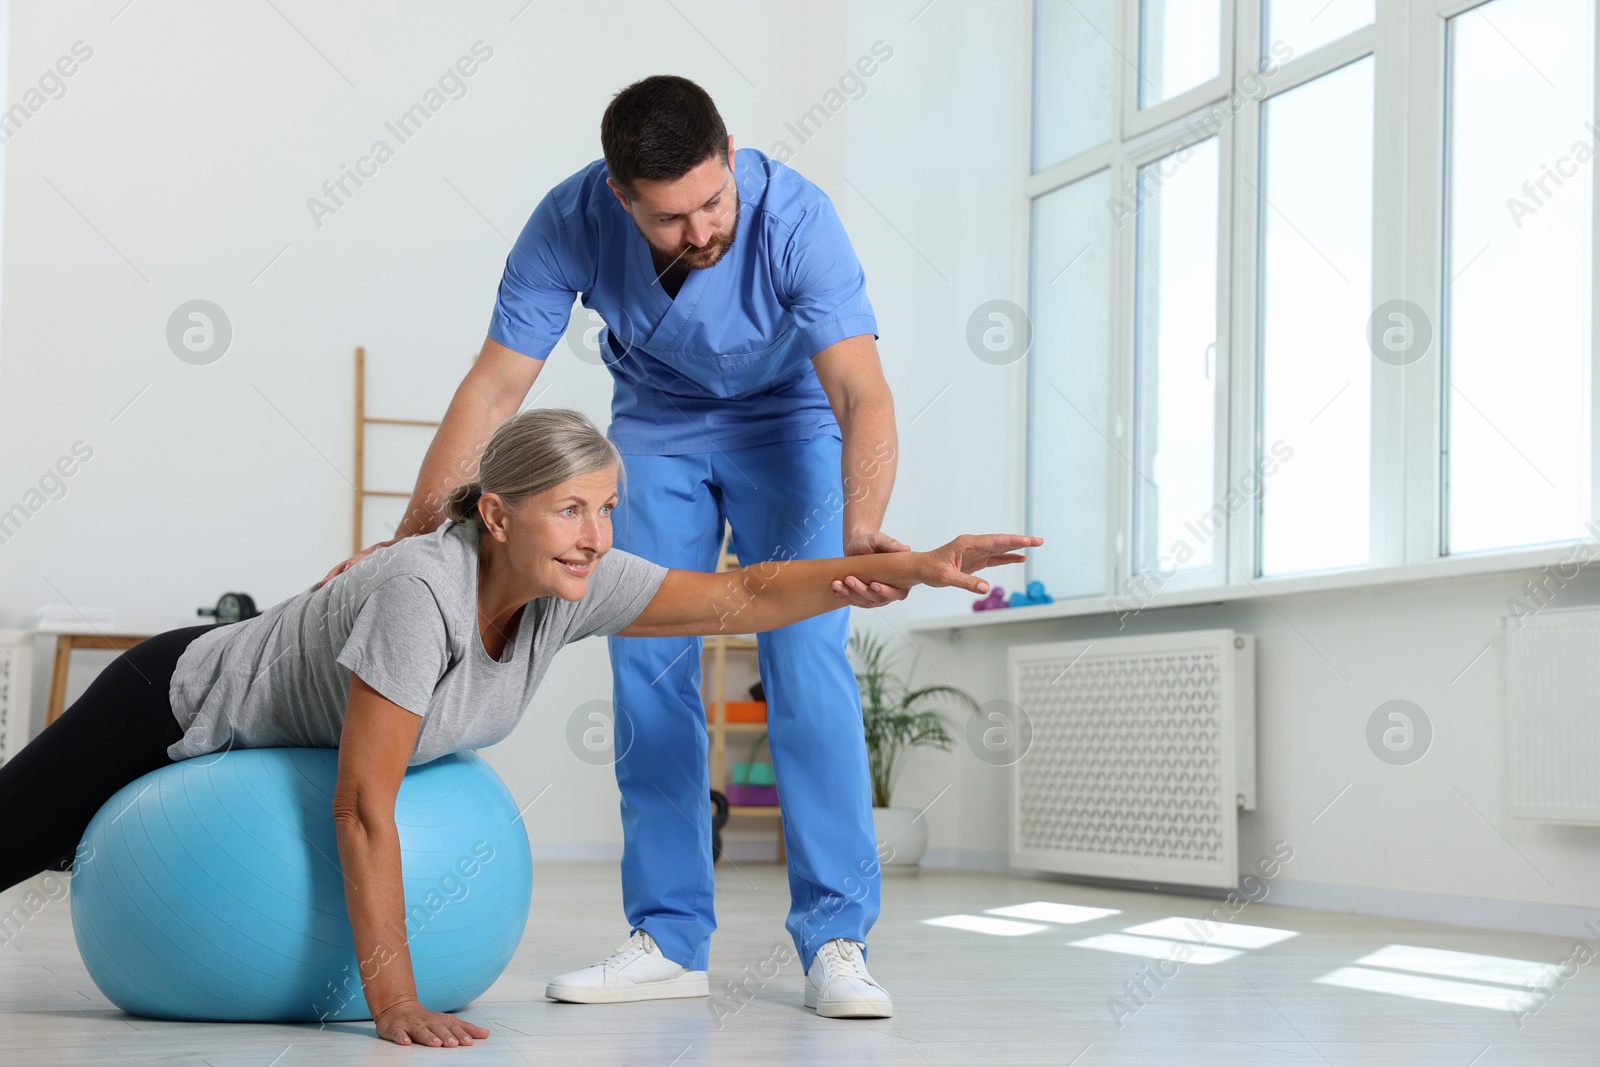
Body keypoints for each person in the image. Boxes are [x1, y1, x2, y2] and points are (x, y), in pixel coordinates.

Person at [0, 408, 1039, 1047]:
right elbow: (362, 805)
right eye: (571, 509)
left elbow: (745, 593)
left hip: (255, 733)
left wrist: (907, 564)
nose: (598, 536)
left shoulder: (571, 583)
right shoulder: (422, 589)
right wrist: (394, 1002)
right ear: (496, 513)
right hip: (176, 697)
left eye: (609, 507)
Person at [325, 74, 908, 1018]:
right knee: (646, 663)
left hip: (791, 425)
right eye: (670, 219)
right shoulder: (565, 223)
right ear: (617, 194)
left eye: (714, 201)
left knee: (805, 656)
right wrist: (410, 541)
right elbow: (491, 393)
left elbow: (861, 391)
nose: (703, 230)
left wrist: (861, 522)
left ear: (731, 153)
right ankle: (670, 936)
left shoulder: (798, 219)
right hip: (660, 426)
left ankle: (837, 937)